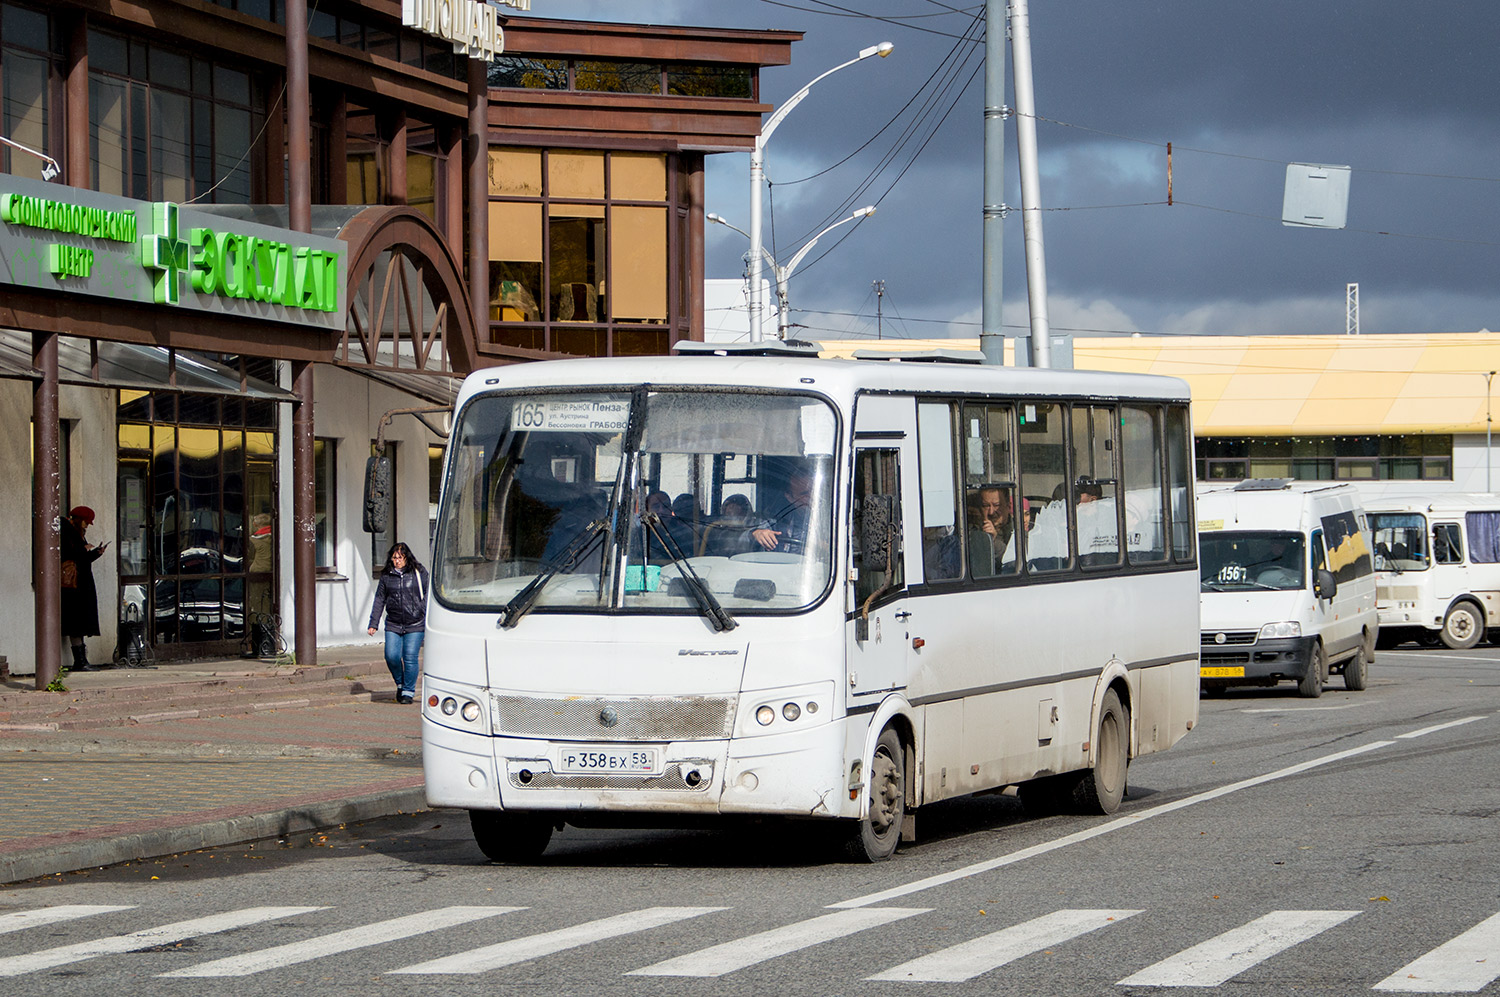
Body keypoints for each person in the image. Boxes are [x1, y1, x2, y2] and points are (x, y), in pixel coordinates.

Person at [367, 541, 429, 704]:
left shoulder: (418, 572)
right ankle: (400, 683)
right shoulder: (387, 575)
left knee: (410, 657)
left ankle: (408, 692)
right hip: (394, 623)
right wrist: (373, 623)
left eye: (400, 558)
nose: (397, 561)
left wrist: (420, 610)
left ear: (407, 558)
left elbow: (429, 592)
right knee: (391, 656)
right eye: (394, 558)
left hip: (415, 623)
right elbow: (380, 599)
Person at [60, 505, 108, 672]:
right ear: (79, 520)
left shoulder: (74, 532)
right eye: (86, 523)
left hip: (79, 584)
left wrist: (95, 553)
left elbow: (82, 559)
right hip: (74, 586)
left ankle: (81, 660)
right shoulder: (67, 531)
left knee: (78, 622)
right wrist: (84, 549)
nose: (87, 526)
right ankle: (80, 661)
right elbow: (72, 555)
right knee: (76, 622)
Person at [750, 469, 815, 552]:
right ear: (789, 497)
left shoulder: (829, 518)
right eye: (805, 494)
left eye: (813, 492)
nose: (812, 497)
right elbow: (744, 533)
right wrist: (756, 533)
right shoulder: (778, 518)